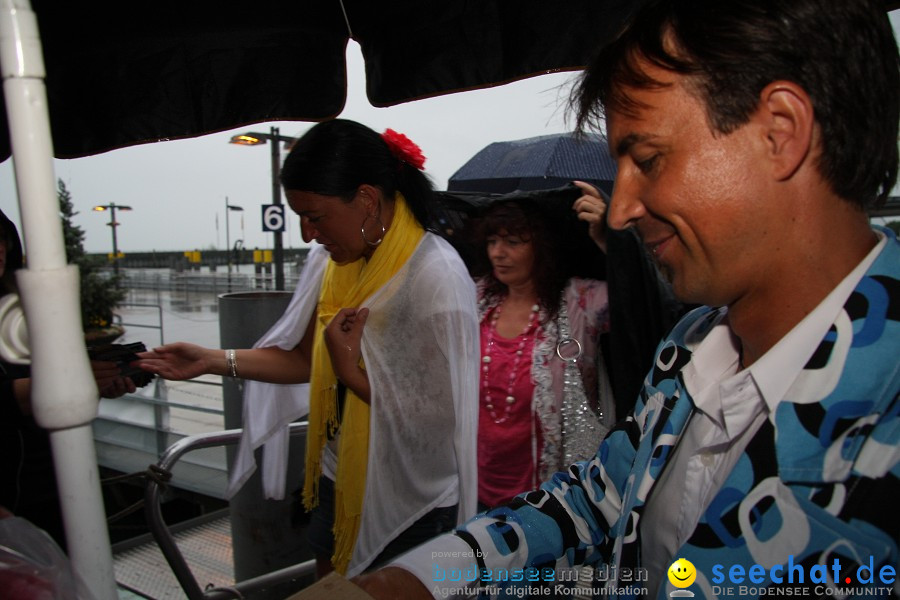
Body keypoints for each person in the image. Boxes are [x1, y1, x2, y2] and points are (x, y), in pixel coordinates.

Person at [354, 0, 900, 598]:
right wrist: (428, 577)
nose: (621, 209)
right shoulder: (690, 348)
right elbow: (602, 499)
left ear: (781, 132)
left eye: (648, 160)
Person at [136, 119, 480, 578]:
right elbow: (302, 360)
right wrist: (211, 360)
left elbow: (446, 417)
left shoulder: (434, 277)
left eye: (315, 217)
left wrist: (351, 372)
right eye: (300, 217)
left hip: (412, 501)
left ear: (366, 199)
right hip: (339, 478)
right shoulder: (331, 263)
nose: (306, 234)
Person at [0, 209, 136, 550]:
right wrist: (69, 380)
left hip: (58, 479)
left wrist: (96, 383)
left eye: (1, 239)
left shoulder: (25, 311)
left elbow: (54, 384)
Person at [471, 192, 613, 511]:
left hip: (547, 502)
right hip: (476, 489)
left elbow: (643, 300)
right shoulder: (476, 298)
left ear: (542, 246)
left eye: (514, 242)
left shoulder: (581, 303)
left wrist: (611, 240)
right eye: (492, 241)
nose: (498, 253)